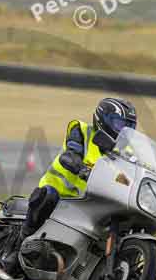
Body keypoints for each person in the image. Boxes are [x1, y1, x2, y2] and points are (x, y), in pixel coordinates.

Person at [20, 97, 138, 241]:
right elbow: (69, 156)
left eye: (129, 127)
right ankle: (23, 237)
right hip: (60, 196)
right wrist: (82, 169)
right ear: (103, 119)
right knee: (48, 196)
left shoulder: (126, 152)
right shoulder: (81, 131)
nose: (124, 131)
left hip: (89, 202)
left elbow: (134, 172)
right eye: (120, 124)